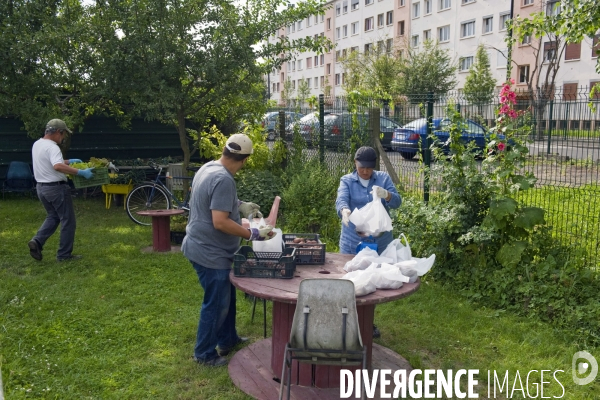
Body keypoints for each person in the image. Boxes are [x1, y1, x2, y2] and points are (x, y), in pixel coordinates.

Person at [182, 133, 274, 367]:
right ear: (244, 160)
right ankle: (204, 354)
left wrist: (239, 204)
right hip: (209, 252)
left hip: (200, 245)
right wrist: (252, 233)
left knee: (227, 296)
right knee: (216, 303)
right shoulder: (224, 179)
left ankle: (228, 339)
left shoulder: (209, 167)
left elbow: (207, 198)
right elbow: (220, 222)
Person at [335, 146, 401, 339]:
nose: (365, 171)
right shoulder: (347, 180)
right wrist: (344, 211)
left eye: (369, 168)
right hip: (353, 240)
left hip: (379, 241)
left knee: (373, 281)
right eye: (362, 167)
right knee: (352, 281)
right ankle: (348, 320)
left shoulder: (383, 179)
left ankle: (367, 322)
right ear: (355, 163)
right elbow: (341, 200)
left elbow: (397, 202)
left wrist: (387, 195)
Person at [28, 119, 95, 262]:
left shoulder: (38, 144)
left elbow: (52, 162)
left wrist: (69, 161)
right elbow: (57, 166)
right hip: (56, 188)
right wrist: (80, 172)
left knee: (53, 216)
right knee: (68, 221)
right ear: (59, 132)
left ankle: (37, 241)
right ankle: (64, 256)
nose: (63, 138)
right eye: (64, 134)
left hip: (41, 188)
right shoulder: (52, 147)